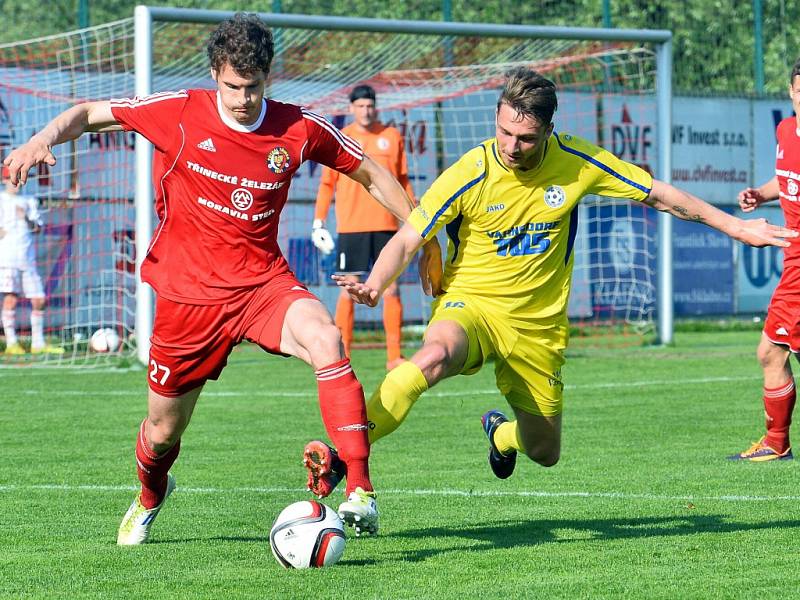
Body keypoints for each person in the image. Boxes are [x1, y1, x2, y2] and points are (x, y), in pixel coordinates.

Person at [3, 13, 440, 542]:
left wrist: (423, 234)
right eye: (232, 86)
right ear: (216, 74)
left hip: (262, 285)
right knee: (163, 431)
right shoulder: (179, 111)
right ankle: (150, 493)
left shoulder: (298, 127)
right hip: (188, 297)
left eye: (252, 87)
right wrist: (38, 140)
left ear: (267, 78)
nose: (242, 99)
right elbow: (89, 112)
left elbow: (371, 172)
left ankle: (361, 493)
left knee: (327, 337)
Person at [302, 67, 797, 495]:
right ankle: (344, 456)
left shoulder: (577, 162)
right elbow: (410, 237)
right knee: (429, 359)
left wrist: (736, 226)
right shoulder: (471, 170)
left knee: (544, 450)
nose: (512, 147)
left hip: (538, 330)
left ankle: (500, 436)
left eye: (526, 138)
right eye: (504, 133)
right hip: (470, 306)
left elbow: (659, 194)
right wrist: (377, 283)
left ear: (549, 129)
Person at [311, 85, 414, 371]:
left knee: (391, 290)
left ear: (375, 107)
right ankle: (343, 356)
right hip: (351, 228)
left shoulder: (391, 136)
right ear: (352, 108)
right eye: (360, 106)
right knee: (348, 292)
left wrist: (414, 216)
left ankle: (394, 356)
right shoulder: (342, 138)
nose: (366, 111)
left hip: (387, 226)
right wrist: (319, 221)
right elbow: (327, 184)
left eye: (370, 106)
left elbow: (403, 181)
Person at [728, 58, 800, 462]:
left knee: (770, 351)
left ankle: (776, 442)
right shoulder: (786, 131)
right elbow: (787, 177)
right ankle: (776, 441)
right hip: (792, 259)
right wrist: (760, 192)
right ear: (791, 94)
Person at [0, 167, 63, 355]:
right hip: (7, 258)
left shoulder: (30, 200)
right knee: (10, 298)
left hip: (28, 259)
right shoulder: (1, 200)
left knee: (39, 299)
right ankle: (11, 343)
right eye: (12, 179)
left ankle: (38, 343)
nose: (16, 182)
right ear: (5, 180)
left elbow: (38, 228)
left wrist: (26, 219)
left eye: (19, 179)